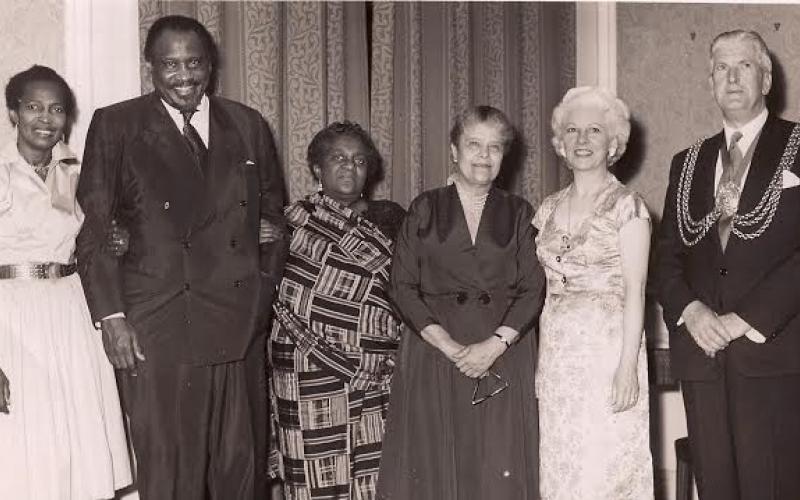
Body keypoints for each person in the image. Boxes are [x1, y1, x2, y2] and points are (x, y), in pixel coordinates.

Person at [75, 15, 286, 499]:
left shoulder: (248, 124)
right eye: (170, 64)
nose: (184, 75)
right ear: (150, 66)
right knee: (171, 474)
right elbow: (94, 229)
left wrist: (262, 285)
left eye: (194, 62)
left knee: (241, 469)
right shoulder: (118, 123)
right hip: (158, 325)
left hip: (237, 323)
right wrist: (111, 316)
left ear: (211, 64)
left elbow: (275, 216)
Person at [658, 29, 800, 500]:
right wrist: (693, 312)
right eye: (722, 67)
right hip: (702, 355)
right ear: (711, 81)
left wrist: (745, 319)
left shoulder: (799, 145)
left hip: (773, 352)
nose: (732, 76)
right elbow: (666, 257)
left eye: (744, 65)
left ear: (766, 78)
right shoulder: (688, 162)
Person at [377, 106, 545, 499]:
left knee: (496, 467)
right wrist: (450, 347)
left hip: (503, 351)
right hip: (436, 351)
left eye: (494, 147)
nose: (484, 156)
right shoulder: (425, 207)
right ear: (454, 150)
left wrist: (493, 345)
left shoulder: (519, 212)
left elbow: (533, 288)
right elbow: (401, 286)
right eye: (474, 144)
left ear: (505, 156)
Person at [0, 65, 132, 499]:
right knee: (22, 447)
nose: (45, 118)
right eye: (33, 107)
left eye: (56, 109)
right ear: (14, 112)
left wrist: (117, 236)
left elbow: (92, 236)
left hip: (69, 314)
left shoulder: (72, 170)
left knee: (74, 449)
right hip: (13, 320)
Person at [268, 121, 406, 499]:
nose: (350, 167)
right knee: (314, 476)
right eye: (338, 158)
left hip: (375, 372)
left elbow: (412, 287)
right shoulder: (290, 222)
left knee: (373, 478)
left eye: (360, 160)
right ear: (317, 167)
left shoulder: (391, 218)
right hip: (307, 369)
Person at [533, 86, 654, 499]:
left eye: (595, 130)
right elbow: (542, 292)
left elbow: (636, 292)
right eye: (572, 131)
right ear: (560, 143)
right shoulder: (546, 209)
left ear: (613, 142)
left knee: (606, 469)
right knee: (563, 467)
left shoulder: (628, 207)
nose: (582, 141)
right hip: (559, 361)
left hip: (608, 359)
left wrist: (627, 369)